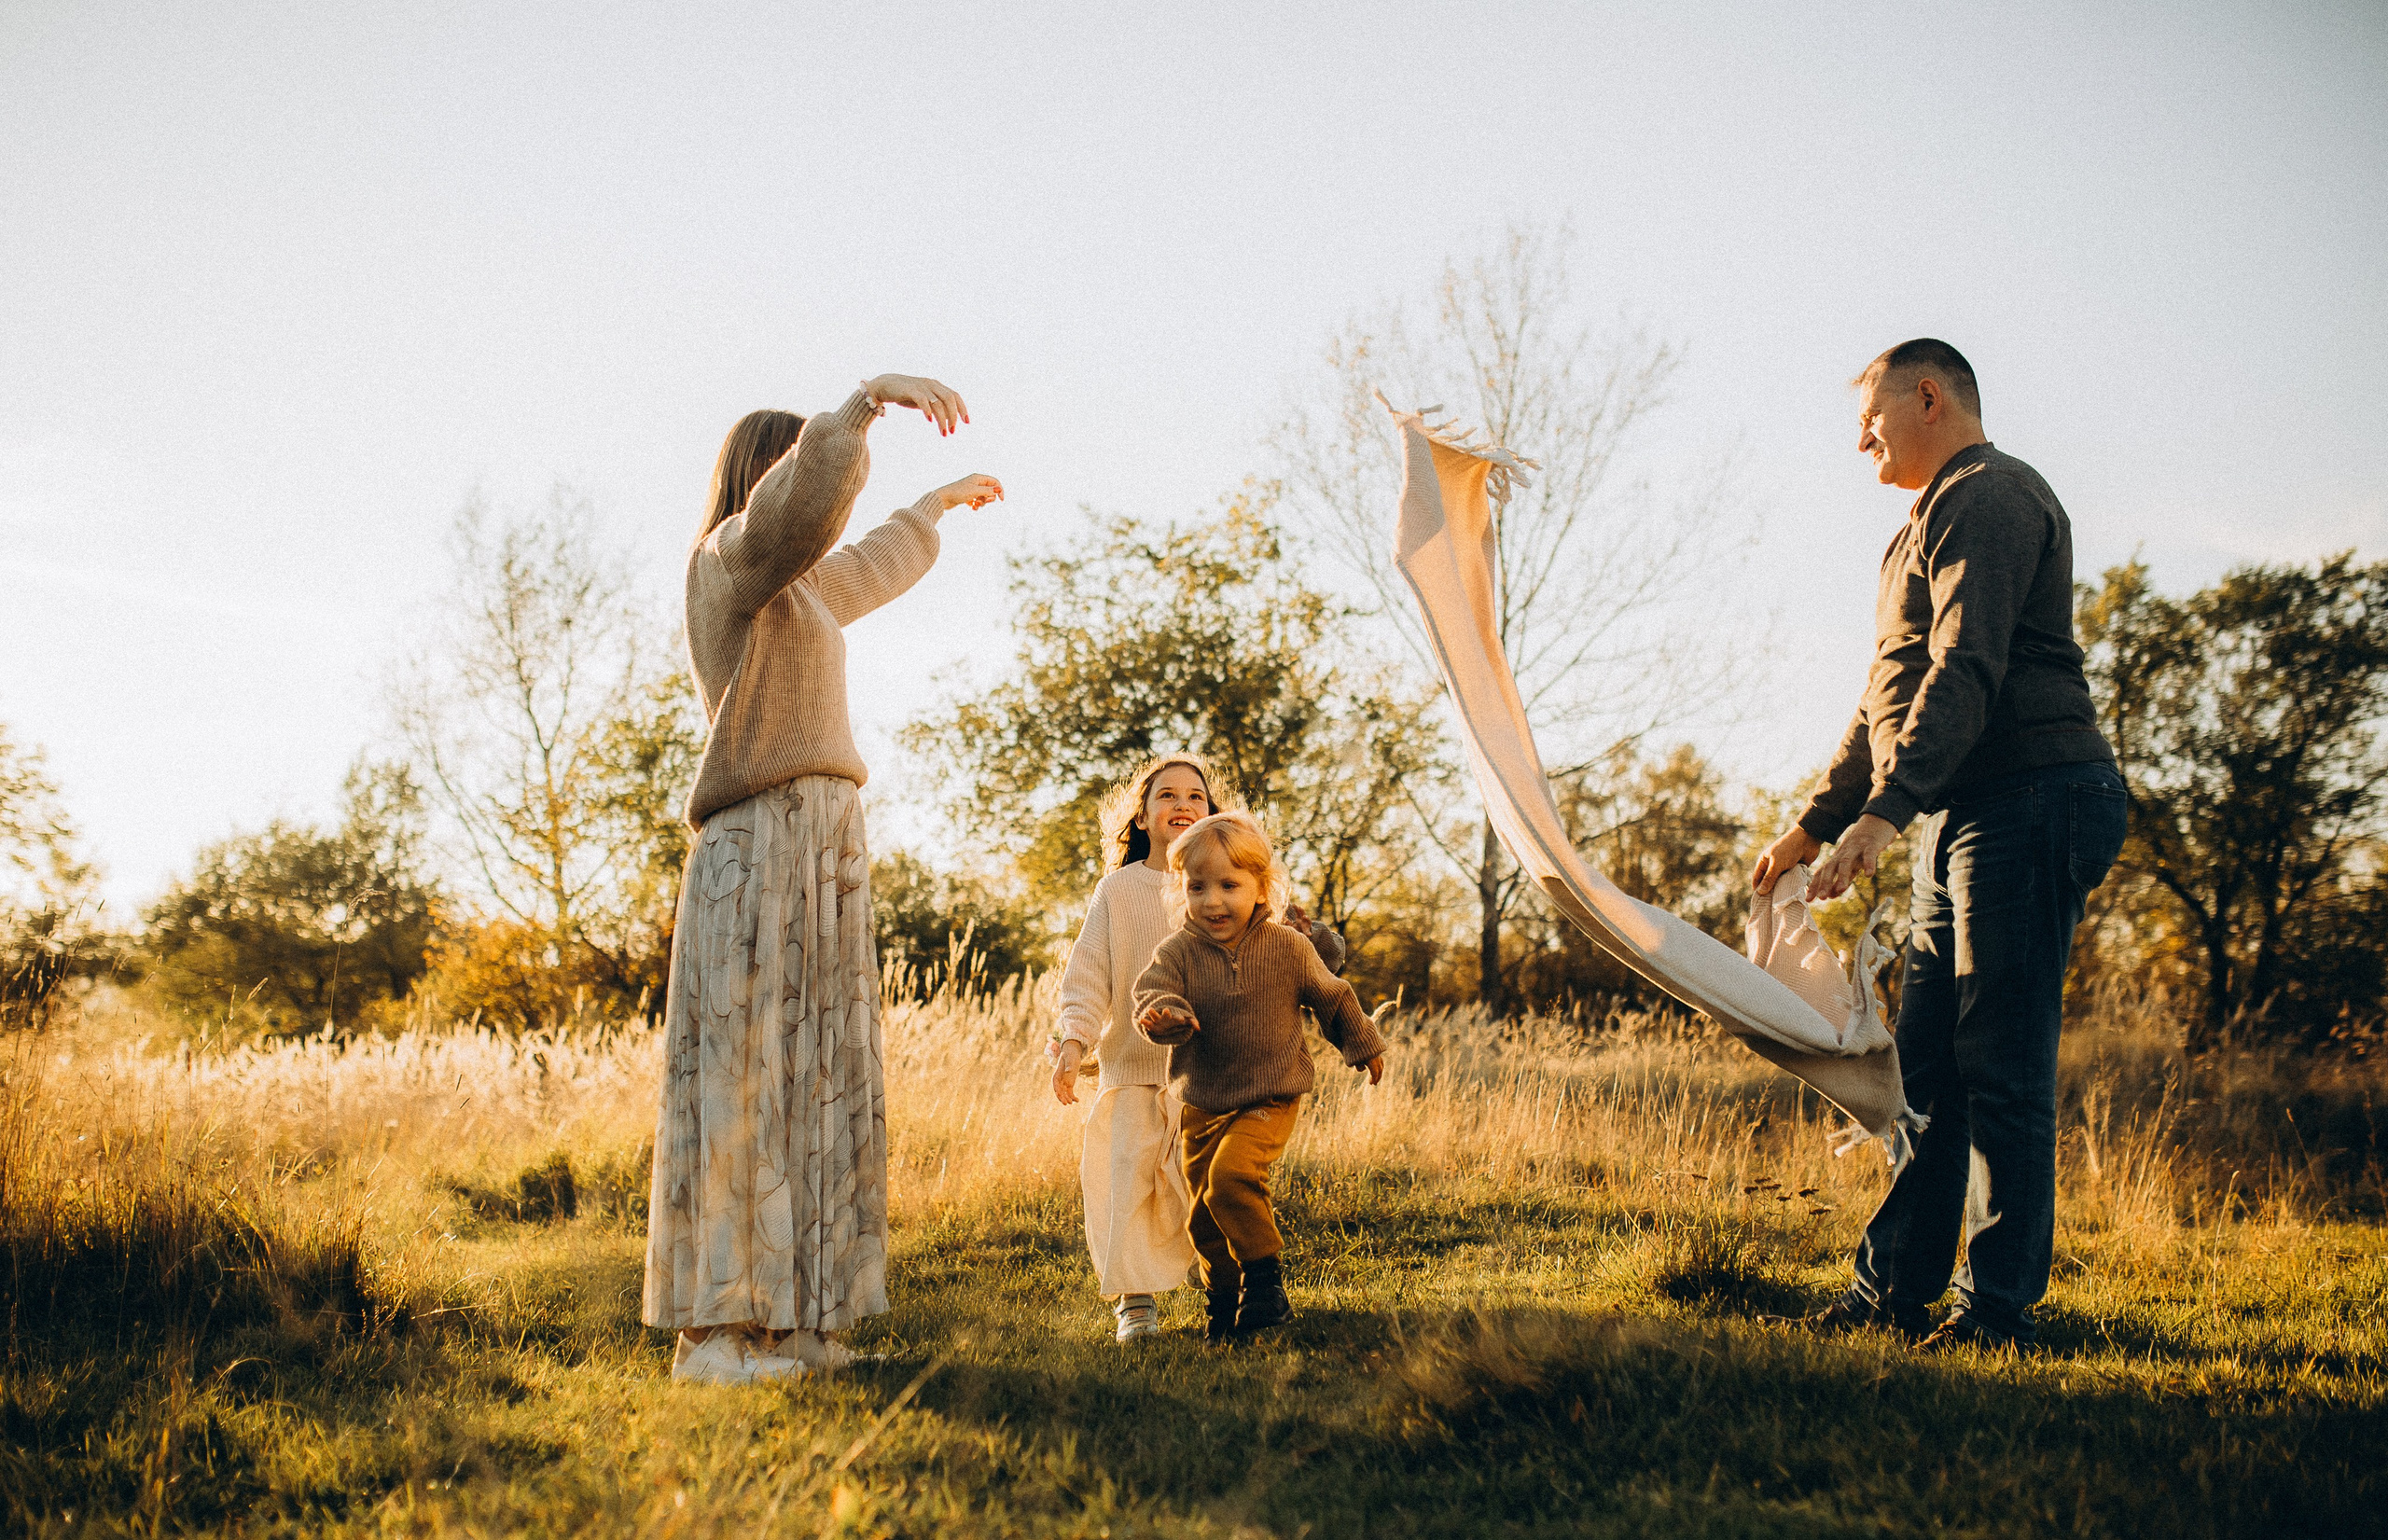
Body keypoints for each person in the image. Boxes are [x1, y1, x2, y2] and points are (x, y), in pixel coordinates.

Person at [1751, 340, 2127, 1353]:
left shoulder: (1989, 495)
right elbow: (1886, 696)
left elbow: (1967, 667)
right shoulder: (1915, 531)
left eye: (1868, 416)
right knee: (1921, 1072)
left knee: (1999, 1061)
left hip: (2034, 796)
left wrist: (1884, 814)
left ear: (1927, 396)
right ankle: (1893, 1291)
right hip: (1964, 811)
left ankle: (1998, 1309)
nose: (1859, 440)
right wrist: (1815, 823)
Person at [643, 373, 1004, 1385]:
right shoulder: (726, 566)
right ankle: (716, 1336)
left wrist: (932, 507)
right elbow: (795, 518)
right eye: (798, 463)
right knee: (747, 1080)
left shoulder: (800, 595)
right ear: (763, 476)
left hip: (822, 848)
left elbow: (867, 564)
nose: (823, 483)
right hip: (757, 844)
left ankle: (794, 1316)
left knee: (814, 1084)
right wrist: (861, 405)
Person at [1049, 756, 1350, 1343]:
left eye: (1196, 795)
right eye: (1166, 795)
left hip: (1212, 1075)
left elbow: (1308, 955)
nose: (1182, 804)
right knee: (1127, 1188)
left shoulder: (1234, 879)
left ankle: (1236, 1291)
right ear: (1141, 815)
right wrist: (1072, 1041)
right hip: (1133, 1068)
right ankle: (1136, 1304)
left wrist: (1314, 935)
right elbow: (1087, 977)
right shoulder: (1117, 890)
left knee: (1201, 1194)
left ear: (1212, 812)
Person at [1133, 812, 1388, 1344]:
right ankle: (1225, 1307)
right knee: (1204, 1217)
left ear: (1261, 888)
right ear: (1182, 890)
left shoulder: (1288, 947)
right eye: (1197, 887)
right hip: (1203, 1104)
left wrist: (1362, 1043)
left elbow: (1333, 997)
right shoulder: (1176, 952)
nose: (1212, 901)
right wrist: (1164, 1015)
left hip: (1270, 1096)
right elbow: (1154, 993)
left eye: (1229, 886)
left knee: (1231, 1179)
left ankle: (1266, 1283)